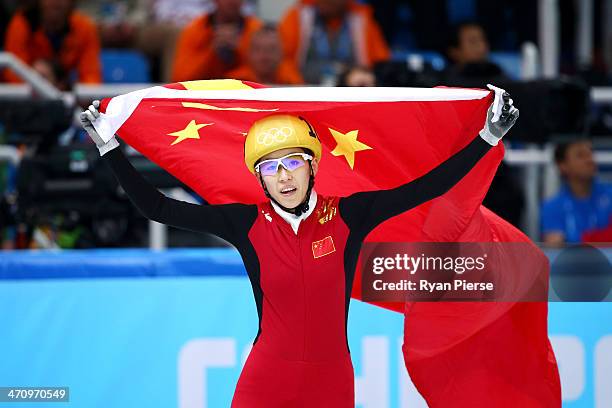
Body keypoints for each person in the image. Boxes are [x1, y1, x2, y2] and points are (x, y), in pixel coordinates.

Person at [80, 85, 518, 406]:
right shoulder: (244, 222)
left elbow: (424, 188)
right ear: (259, 178)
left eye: (293, 162)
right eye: (270, 167)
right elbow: (158, 208)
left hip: (331, 383)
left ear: (313, 167)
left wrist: (486, 138)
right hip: (266, 380)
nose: (284, 176)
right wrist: (109, 148)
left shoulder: (349, 215)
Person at [278, 0, 390, 85]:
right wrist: (298, 88)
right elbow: (281, 61)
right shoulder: (298, 16)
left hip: (352, 96)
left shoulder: (362, 18)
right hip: (306, 93)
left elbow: (379, 63)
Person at [3, 0, 101, 89]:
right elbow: (13, 75)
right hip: (27, 96)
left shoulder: (84, 28)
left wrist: (71, 89)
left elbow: (91, 76)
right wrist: (40, 82)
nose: (56, 2)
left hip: (65, 93)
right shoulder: (22, 24)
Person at [541, 139, 612, 245]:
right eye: (580, 155)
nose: (589, 160)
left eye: (590, 153)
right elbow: (556, 253)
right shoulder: (552, 207)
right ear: (562, 165)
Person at [171, 0, 262, 82]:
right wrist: (212, 51)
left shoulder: (256, 29)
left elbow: (266, 76)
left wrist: (238, 49)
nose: (232, 2)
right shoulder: (195, 29)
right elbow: (180, 78)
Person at [227, 25, 303, 85]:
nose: (264, 56)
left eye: (271, 50)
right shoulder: (233, 83)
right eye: (257, 49)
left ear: (282, 53)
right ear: (248, 53)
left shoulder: (293, 83)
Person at [443, 21, 508, 86]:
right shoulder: (445, 84)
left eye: (483, 40)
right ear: (454, 51)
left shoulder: (498, 74)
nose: (481, 46)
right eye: (473, 41)